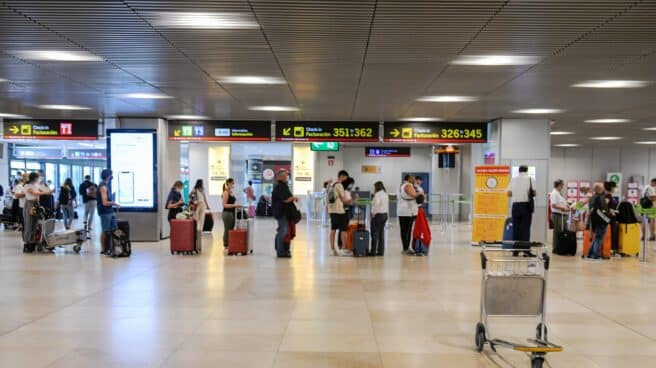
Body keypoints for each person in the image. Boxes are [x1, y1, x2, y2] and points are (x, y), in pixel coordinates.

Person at [22, 172, 54, 252]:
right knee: (29, 225)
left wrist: (49, 191)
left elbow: (41, 190)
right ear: (34, 178)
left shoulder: (36, 185)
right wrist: (46, 192)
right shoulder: (27, 186)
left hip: (36, 204)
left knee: (35, 225)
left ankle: (32, 242)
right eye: (38, 177)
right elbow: (34, 193)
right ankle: (26, 243)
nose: (39, 179)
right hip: (30, 204)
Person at [272, 169, 298, 257]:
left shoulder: (284, 186)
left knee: (284, 231)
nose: (285, 177)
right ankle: (280, 251)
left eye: (286, 175)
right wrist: (293, 198)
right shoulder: (279, 187)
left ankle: (283, 249)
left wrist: (293, 198)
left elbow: (288, 197)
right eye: (283, 176)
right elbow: (285, 200)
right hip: (281, 212)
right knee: (283, 231)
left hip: (285, 212)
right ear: (279, 177)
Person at [507, 165, 536, 241]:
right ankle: (525, 249)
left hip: (515, 206)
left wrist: (516, 193)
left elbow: (509, 194)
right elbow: (534, 193)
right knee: (526, 228)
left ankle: (515, 251)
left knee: (515, 228)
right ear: (527, 171)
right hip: (526, 206)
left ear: (519, 171)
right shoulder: (530, 179)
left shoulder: (513, 179)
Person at [328, 170, 352, 256]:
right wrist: (352, 200)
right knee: (343, 230)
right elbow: (344, 200)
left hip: (332, 211)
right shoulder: (339, 185)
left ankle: (332, 250)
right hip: (339, 211)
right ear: (342, 176)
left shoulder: (331, 184)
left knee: (333, 230)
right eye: (345, 178)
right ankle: (343, 249)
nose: (346, 180)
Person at [587, 183, 612, 259]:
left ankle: (590, 254)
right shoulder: (601, 197)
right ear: (599, 189)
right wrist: (609, 214)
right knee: (599, 238)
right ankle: (596, 255)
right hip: (602, 220)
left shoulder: (592, 197)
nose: (603, 189)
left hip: (595, 220)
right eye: (602, 188)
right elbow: (603, 208)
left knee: (596, 238)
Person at [98, 169, 120, 254]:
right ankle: (104, 249)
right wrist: (114, 203)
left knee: (113, 229)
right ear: (108, 176)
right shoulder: (103, 187)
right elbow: (104, 202)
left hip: (109, 211)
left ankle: (112, 247)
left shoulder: (105, 186)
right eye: (111, 175)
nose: (112, 177)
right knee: (105, 230)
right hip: (105, 212)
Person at [398, 175, 419, 254]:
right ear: (409, 179)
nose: (414, 179)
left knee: (406, 231)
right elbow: (413, 195)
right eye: (413, 178)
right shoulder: (408, 185)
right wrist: (420, 193)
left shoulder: (403, 185)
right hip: (406, 212)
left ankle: (406, 248)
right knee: (406, 231)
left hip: (405, 212)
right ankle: (406, 248)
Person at [221, 178, 242, 252]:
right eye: (232, 183)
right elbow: (224, 205)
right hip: (227, 213)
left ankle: (229, 244)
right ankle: (226, 245)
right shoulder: (226, 192)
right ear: (228, 183)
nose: (233, 185)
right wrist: (234, 206)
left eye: (233, 183)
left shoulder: (231, 192)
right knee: (227, 229)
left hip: (232, 213)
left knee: (231, 229)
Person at [550, 179, 570, 249]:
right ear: (559, 185)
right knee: (557, 232)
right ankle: (556, 248)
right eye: (562, 185)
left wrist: (567, 205)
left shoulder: (559, 193)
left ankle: (561, 246)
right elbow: (554, 205)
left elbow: (561, 203)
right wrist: (564, 208)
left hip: (562, 215)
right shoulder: (554, 193)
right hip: (557, 215)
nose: (562, 187)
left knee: (562, 231)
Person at [370, 181, 389, 256]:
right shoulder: (385, 194)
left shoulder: (377, 194)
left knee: (374, 233)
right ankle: (381, 251)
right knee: (381, 234)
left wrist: (373, 214)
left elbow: (376, 205)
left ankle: (373, 252)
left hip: (378, 215)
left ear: (377, 187)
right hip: (384, 215)